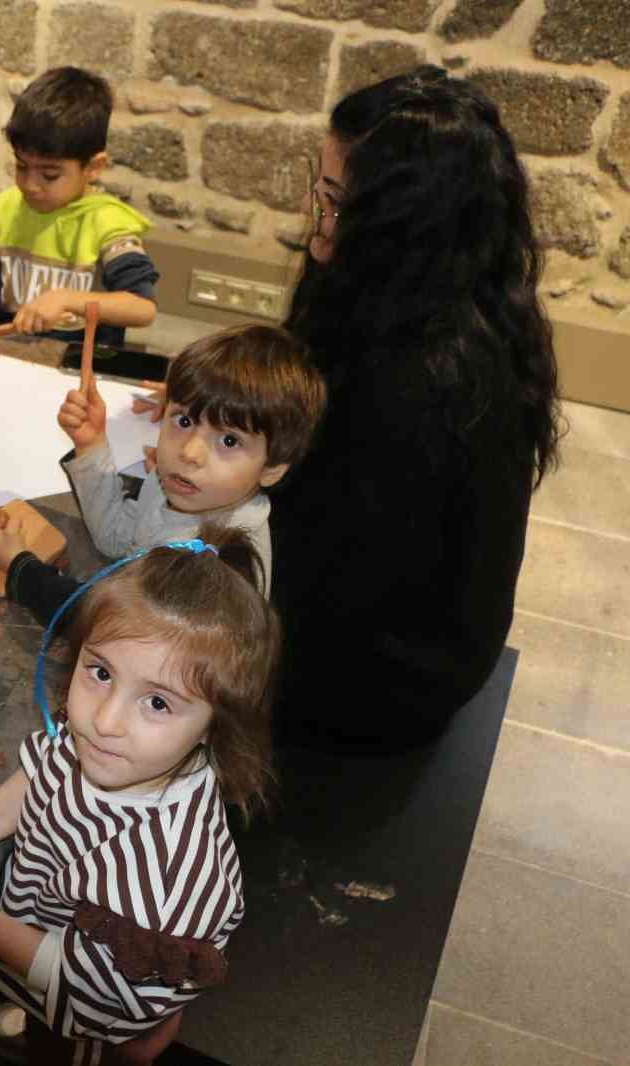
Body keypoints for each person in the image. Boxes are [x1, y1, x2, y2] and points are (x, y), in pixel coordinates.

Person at [0, 530, 278, 1066]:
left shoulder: (161, 883)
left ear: (215, 726)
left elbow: (82, 987)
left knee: (68, 1044)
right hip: (40, 928)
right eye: (100, 672)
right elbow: (43, 772)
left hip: (87, 1003)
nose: (105, 720)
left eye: (158, 703)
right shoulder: (115, 744)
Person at [269, 67, 561, 751]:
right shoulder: (402, 289)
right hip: (373, 616)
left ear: (399, 227)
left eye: (338, 202)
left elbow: (329, 579)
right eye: (322, 189)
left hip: (384, 682)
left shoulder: (425, 379)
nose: (318, 224)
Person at [0, 323, 325, 606]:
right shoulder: (180, 485)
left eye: (229, 441)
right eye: (183, 421)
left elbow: (110, 628)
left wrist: (21, 570)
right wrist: (92, 445)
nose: (190, 452)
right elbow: (117, 539)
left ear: (273, 468)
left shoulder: (219, 567)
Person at [0, 67, 159, 350]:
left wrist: (69, 300)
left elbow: (142, 308)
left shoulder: (109, 223)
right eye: (21, 166)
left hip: (80, 361)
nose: (30, 185)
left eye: (50, 175)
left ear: (93, 167)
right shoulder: (7, 210)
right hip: (11, 350)